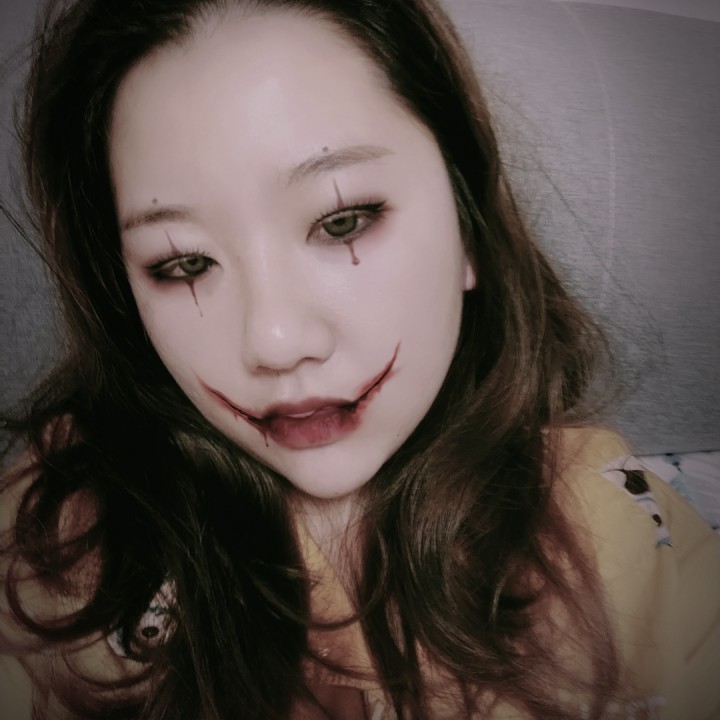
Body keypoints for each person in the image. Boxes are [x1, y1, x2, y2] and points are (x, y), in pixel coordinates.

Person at [1, 0, 718, 718]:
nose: (275, 341)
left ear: (468, 228)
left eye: (342, 221)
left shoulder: (615, 530)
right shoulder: (57, 532)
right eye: (184, 263)